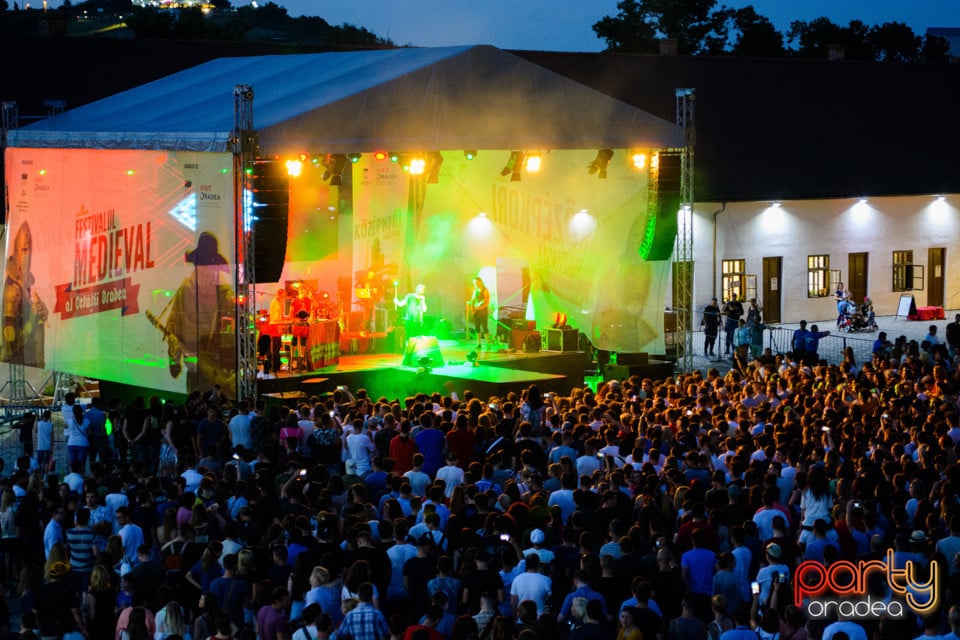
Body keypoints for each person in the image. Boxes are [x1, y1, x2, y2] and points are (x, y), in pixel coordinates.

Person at [151, 230, 236, 393]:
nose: (208, 275)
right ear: (196, 269)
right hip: (196, 376)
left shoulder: (225, 296)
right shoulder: (184, 293)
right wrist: (174, 359)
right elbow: (174, 330)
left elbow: (237, 333)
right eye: (203, 269)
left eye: (211, 269)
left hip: (222, 376)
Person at [2, 220, 48, 367]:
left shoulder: (26, 284)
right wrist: (33, 317)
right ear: (16, 251)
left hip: (30, 366)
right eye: (23, 249)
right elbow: (11, 345)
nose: (27, 254)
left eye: (29, 250)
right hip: (20, 365)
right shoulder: (12, 291)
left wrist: (41, 311)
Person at [469, 276, 490, 348]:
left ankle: (488, 343)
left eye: (477, 283)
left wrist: (480, 307)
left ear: (480, 282)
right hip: (477, 311)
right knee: (477, 327)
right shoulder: (475, 291)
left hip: (483, 311)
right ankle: (479, 343)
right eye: (475, 283)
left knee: (484, 326)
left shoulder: (485, 290)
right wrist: (472, 309)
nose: (476, 284)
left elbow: (487, 302)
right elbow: (472, 300)